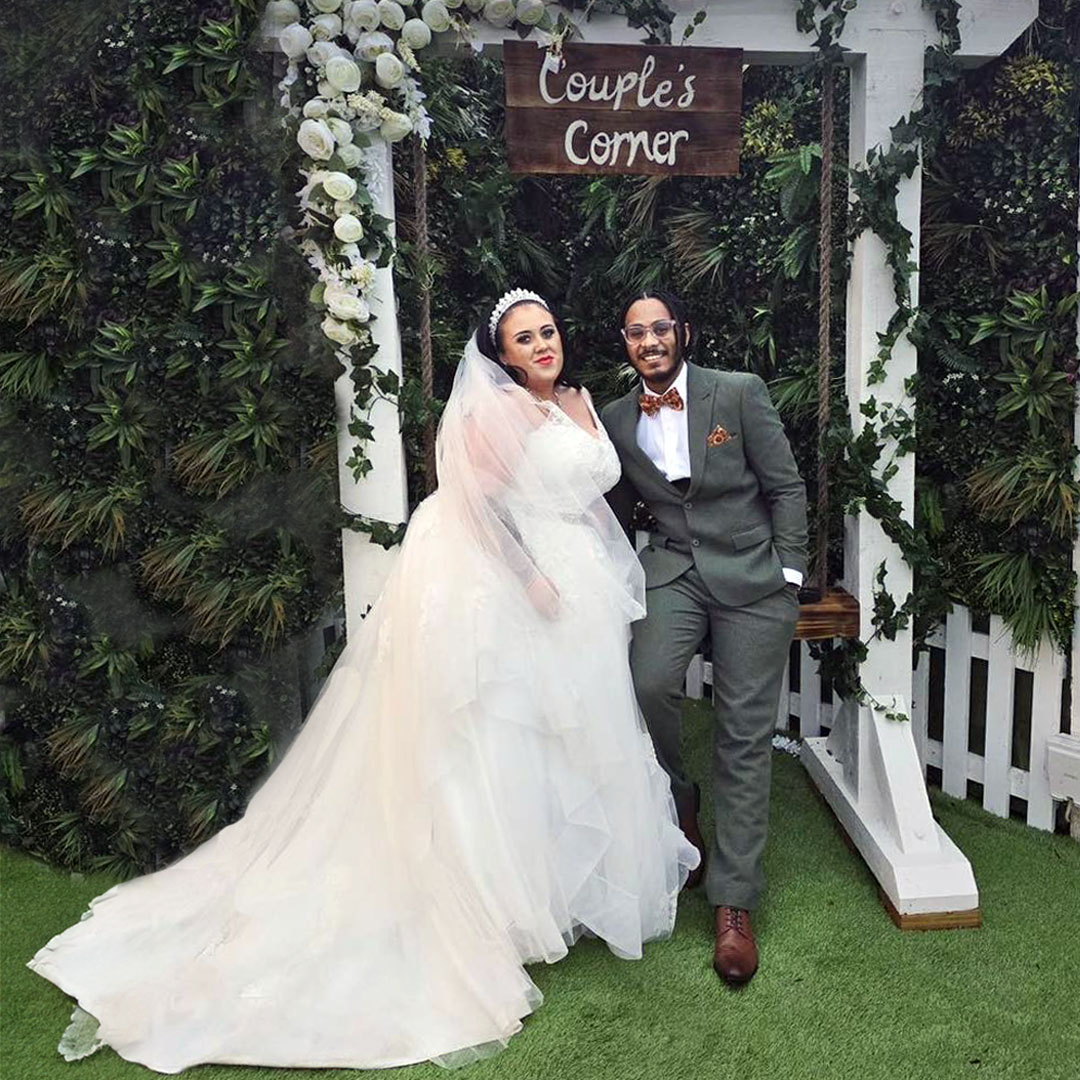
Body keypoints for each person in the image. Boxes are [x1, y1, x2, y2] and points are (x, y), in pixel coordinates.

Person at [28, 289, 698, 1073]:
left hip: (588, 592)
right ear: (503, 355)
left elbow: (593, 498)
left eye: (548, 330)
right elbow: (480, 507)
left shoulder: (581, 401)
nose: (544, 345)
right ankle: (501, 907)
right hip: (530, 589)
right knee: (514, 736)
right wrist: (534, 581)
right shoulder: (497, 414)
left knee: (580, 735)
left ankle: (570, 892)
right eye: (525, 338)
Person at [601, 289, 807, 988]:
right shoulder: (616, 419)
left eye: (660, 328)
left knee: (744, 734)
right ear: (625, 345)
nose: (650, 340)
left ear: (683, 332)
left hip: (753, 575)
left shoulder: (739, 393)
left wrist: (789, 573)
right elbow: (609, 510)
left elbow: (786, 486)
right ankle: (677, 798)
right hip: (674, 574)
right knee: (647, 683)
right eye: (636, 332)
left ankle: (733, 903)